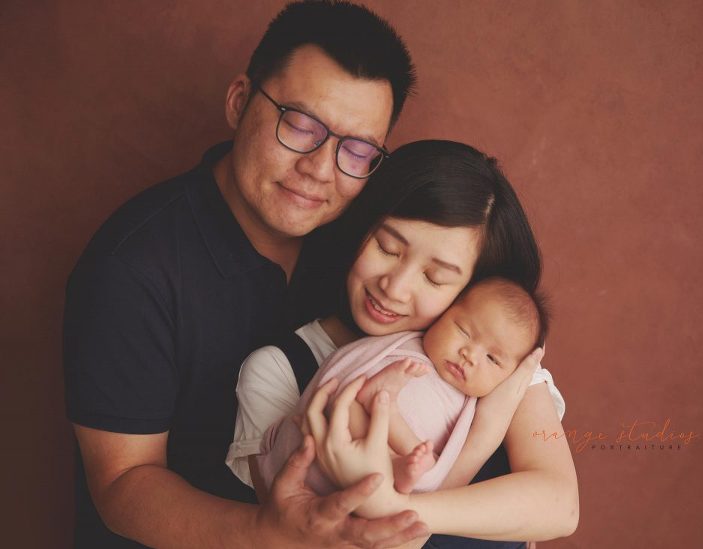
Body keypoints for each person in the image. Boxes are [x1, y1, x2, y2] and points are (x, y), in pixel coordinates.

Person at [62, 2, 426, 547]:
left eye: (356, 150)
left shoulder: (364, 249)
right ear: (239, 102)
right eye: (301, 125)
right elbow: (121, 483)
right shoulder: (132, 266)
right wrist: (270, 532)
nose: (320, 170)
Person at [226, 140, 576, 548]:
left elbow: (560, 506)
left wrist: (394, 505)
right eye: (387, 247)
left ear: (471, 290)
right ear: (361, 228)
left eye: (435, 278)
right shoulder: (281, 369)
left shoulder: (493, 362)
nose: (394, 288)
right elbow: (294, 536)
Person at [250, 277, 552, 500]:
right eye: (463, 331)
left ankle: (393, 444)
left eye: (492, 358)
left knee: (426, 465)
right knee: (347, 407)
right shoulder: (407, 347)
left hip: (379, 473)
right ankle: (384, 411)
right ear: (444, 312)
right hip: (341, 423)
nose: (469, 355)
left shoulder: (479, 408)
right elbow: (343, 382)